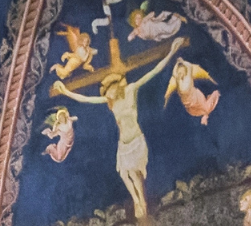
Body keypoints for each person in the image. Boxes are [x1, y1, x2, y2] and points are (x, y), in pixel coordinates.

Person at [52, 46, 180, 217]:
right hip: (124, 144)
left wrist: (171, 51)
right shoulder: (111, 101)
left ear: (117, 84)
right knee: (125, 174)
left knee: (135, 174)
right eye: (106, 91)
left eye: (108, 89)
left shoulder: (130, 90)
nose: (107, 93)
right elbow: (87, 99)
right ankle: (136, 201)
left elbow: (153, 71)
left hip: (136, 140)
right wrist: (66, 92)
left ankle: (141, 200)